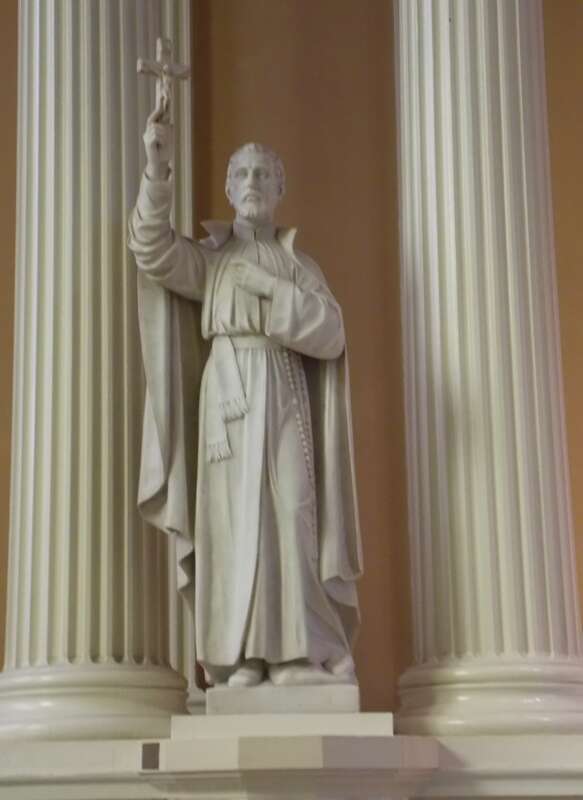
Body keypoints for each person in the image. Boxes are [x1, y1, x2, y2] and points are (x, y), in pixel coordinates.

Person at [129, 97, 363, 689]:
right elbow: (152, 251)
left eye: (263, 174)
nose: (253, 182)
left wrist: (270, 288)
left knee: (293, 512)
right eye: (243, 174)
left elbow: (332, 333)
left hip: (283, 389)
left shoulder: (297, 265)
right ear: (230, 190)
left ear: (279, 188)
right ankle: (242, 657)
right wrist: (157, 169)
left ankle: (297, 654)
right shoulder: (211, 261)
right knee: (234, 521)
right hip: (227, 397)